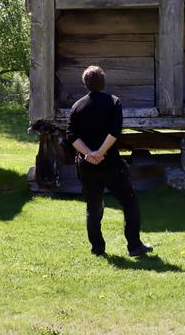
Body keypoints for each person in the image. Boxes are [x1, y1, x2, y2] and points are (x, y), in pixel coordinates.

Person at [66, 65, 153, 257]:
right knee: (129, 204)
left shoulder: (77, 106)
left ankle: (98, 249)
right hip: (112, 164)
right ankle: (134, 246)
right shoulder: (113, 102)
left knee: (93, 208)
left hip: (87, 166)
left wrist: (89, 154)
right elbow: (115, 131)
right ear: (103, 82)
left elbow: (71, 135)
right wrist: (101, 152)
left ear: (85, 84)